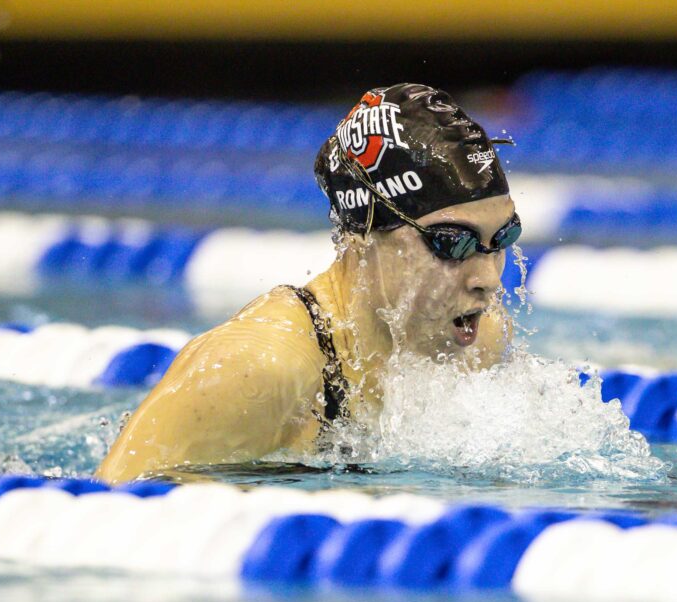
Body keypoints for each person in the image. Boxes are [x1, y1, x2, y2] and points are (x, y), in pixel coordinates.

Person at [97, 83, 521, 484]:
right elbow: (114, 514)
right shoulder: (257, 370)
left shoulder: (481, 341)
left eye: (502, 239)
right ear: (362, 235)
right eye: (452, 244)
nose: (488, 280)